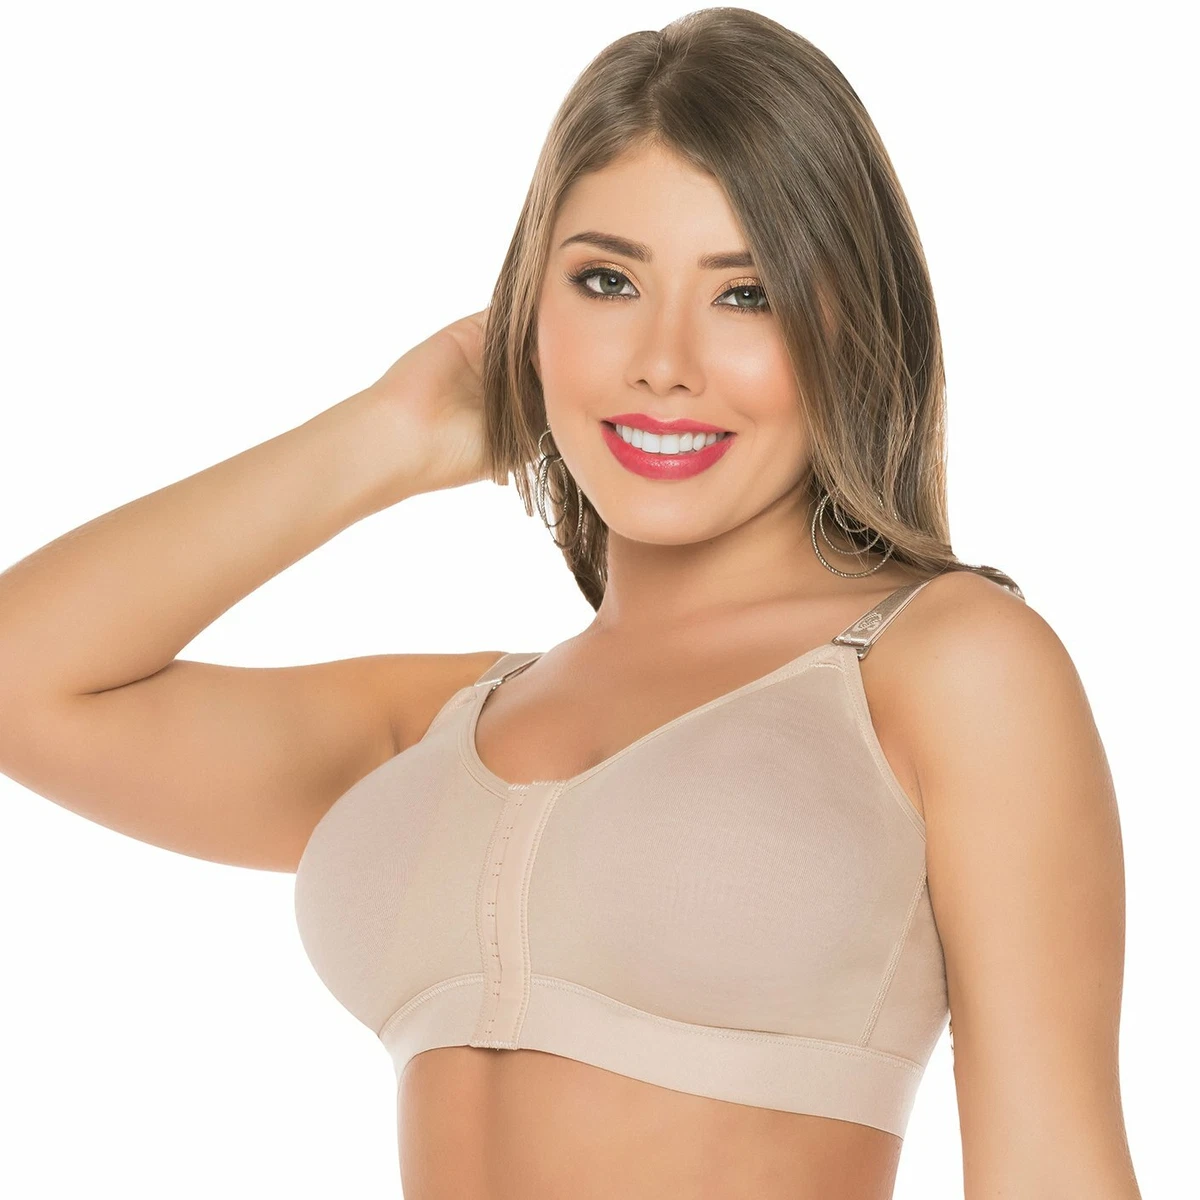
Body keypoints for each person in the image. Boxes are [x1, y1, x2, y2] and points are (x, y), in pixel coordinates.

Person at [0, 8, 1142, 1199]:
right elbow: (23, 681)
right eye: (607, 281)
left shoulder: (944, 664)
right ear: (528, 314)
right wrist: (390, 434)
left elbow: (1054, 1167)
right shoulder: (442, 726)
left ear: (849, 324)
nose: (663, 361)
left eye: (746, 295)